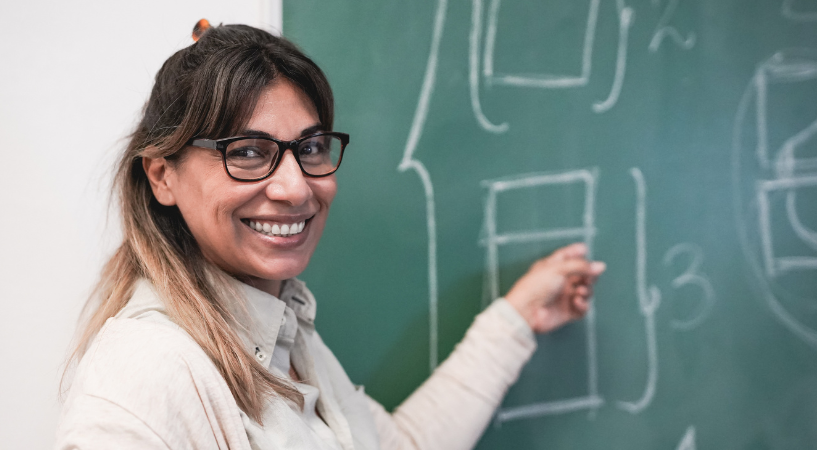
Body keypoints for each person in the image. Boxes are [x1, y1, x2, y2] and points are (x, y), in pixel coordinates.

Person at [55, 21, 605, 450]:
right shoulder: (143, 374)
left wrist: (518, 316)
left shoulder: (285, 331)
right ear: (162, 176)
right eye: (248, 152)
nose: (295, 188)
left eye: (311, 147)